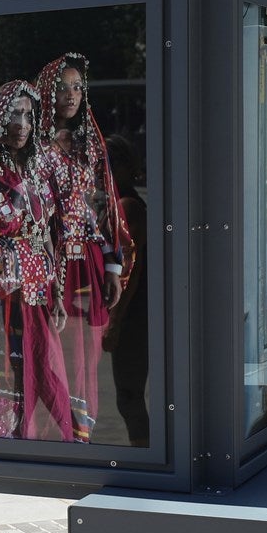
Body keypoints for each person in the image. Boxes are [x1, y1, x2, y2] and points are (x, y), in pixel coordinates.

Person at [0, 80, 73, 441]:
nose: (22, 123)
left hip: (36, 294)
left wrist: (57, 292)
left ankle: (46, 449)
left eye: (29, 115)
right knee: (4, 378)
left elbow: (44, 234)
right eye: (14, 114)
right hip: (0, 299)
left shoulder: (38, 171)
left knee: (45, 370)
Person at [35, 52, 132, 442]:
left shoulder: (89, 145)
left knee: (86, 356)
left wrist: (112, 266)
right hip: (50, 265)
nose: (71, 95)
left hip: (88, 262)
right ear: (47, 92)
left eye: (77, 87)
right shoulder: (34, 145)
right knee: (53, 351)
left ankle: (81, 439)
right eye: (62, 87)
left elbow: (103, 208)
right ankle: (53, 438)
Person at [103, 134, 149, 446]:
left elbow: (130, 270)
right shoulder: (125, 203)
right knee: (128, 396)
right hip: (134, 314)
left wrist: (115, 321)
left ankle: (145, 457)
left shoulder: (128, 206)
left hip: (134, 316)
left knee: (129, 396)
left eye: (105, 165)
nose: (99, 172)